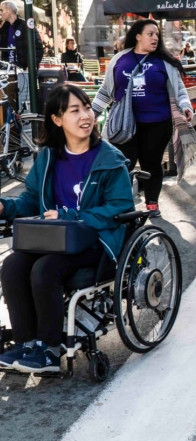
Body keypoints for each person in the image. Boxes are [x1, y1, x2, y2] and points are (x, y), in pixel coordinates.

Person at [0, 84, 135, 372]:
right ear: (57, 119)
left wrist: (72, 215)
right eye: (75, 110)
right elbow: (30, 201)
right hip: (56, 239)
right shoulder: (48, 157)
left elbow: (121, 208)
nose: (86, 115)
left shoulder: (109, 160)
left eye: (86, 108)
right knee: (12, 265)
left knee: (45, 268)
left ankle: (49, 349)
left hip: (96, 241)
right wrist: (3, 207)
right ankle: (26, 343)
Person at [92, 19, 193, 218]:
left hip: (157, 123)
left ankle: (152, 203)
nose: (155, 38)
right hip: (124, 124)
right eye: (150, 34)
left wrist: (186, 106)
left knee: (151, 163)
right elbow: (106, 91)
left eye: (157, 35)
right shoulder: (120, 59)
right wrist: (92, 113)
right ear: (138, 36)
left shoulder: (164, 62)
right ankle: (121, 204)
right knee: (123, 164)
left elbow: (179, 89)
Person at [0, 0, 43, 70]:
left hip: (23, 70)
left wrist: (30, 66)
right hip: (7, 71)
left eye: (2, 10)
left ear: (9, 10)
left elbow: (38, 48)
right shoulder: (5, 27)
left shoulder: (25, 26)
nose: (0, 13)